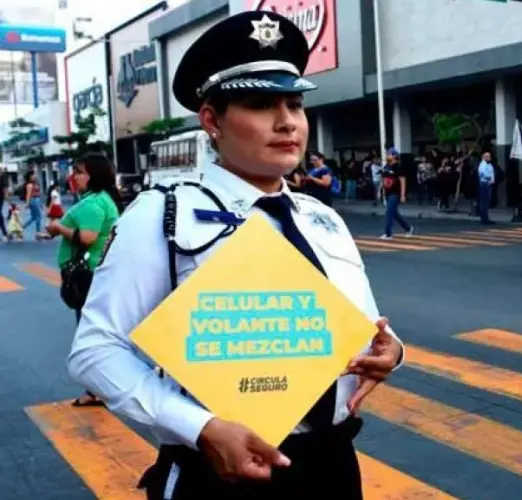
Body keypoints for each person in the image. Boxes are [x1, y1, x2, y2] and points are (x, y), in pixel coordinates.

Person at [66, 11, 405, 500]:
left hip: (332, 466)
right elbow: (96, 348)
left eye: (294, 103)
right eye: (261, 104)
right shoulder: (164, 215)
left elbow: (367, 324)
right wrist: (200, 427)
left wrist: (391, 351)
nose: (287, 121)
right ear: (211, 120)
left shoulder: (320, 217)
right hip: (220, 474)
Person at [46, 154, 122, 407]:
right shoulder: (99, 200)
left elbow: (87, 237)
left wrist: (58, 228)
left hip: (88, 275)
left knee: (89, 332)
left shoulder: (93, 204)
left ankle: (96, 389)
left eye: (79, 172)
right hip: (94, 273)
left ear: (93, 175)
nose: (74, 177)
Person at [379, 147, 414, 239]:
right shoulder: (386, 166)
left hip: (395, 193)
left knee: (389, 212)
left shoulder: (398, 167)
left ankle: (388, 233)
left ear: (394, 156)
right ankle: (408, 228)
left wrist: (402, 195)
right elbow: (383, 179)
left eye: (389, 154)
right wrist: (380, 190)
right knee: (394, 213)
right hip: (387, 193)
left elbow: (403, 181)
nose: (388, 156)